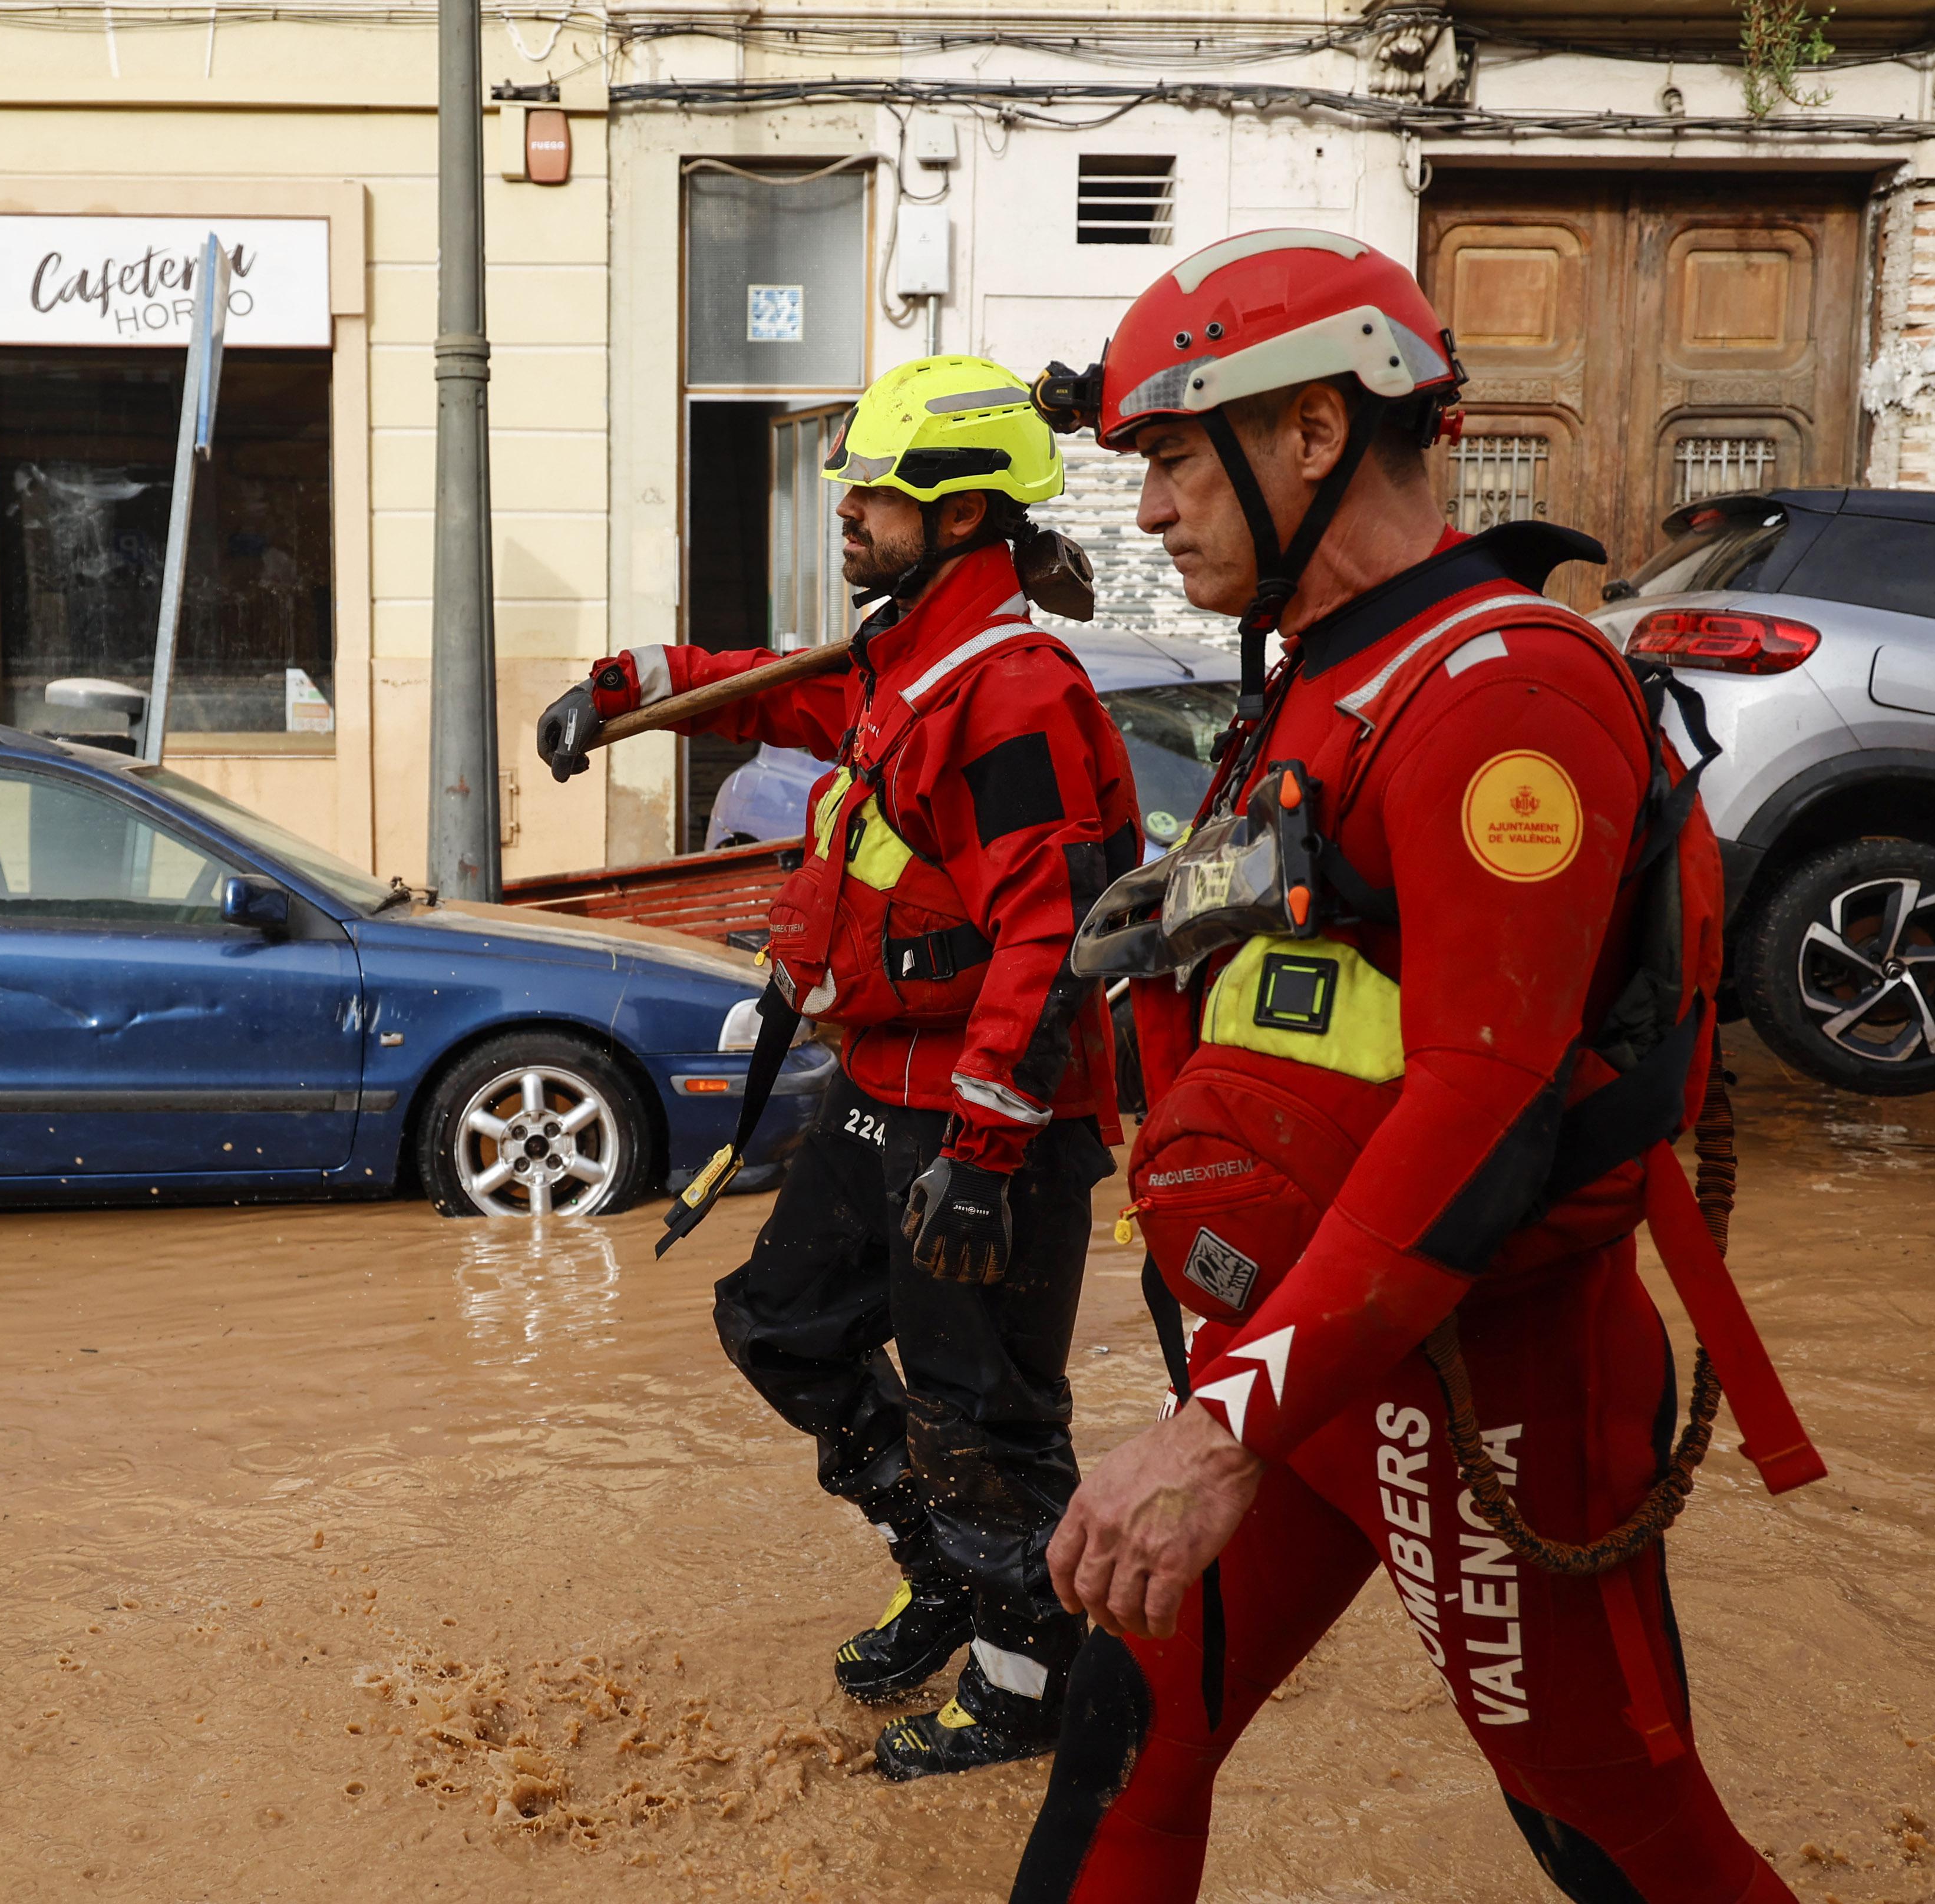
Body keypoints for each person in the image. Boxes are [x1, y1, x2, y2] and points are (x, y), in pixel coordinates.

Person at [1008, 232, 1808, 1902]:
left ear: (1308, 435)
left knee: (1610, 1816)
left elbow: (1484, 1097)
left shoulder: (1498, 692)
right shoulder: (1321, 674)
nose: (1147, 512)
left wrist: (1221, 1424)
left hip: (1486, 1372)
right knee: (1128, 1728)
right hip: (1312, 1349)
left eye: (1169, 458)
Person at [534, 357, 1140, 1779]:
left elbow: (1047, 935)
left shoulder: (1012, 692)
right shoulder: (911, 660)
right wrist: (617, 689)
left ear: (962, 510)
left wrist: (984, 1159)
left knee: (984, 1411)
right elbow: (770, 692)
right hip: (886, 1094)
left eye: (874, 491)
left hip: (985, 1129)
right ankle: (944, 1564)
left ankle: (1025, 1687)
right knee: (782, 1325)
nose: (847, 511)